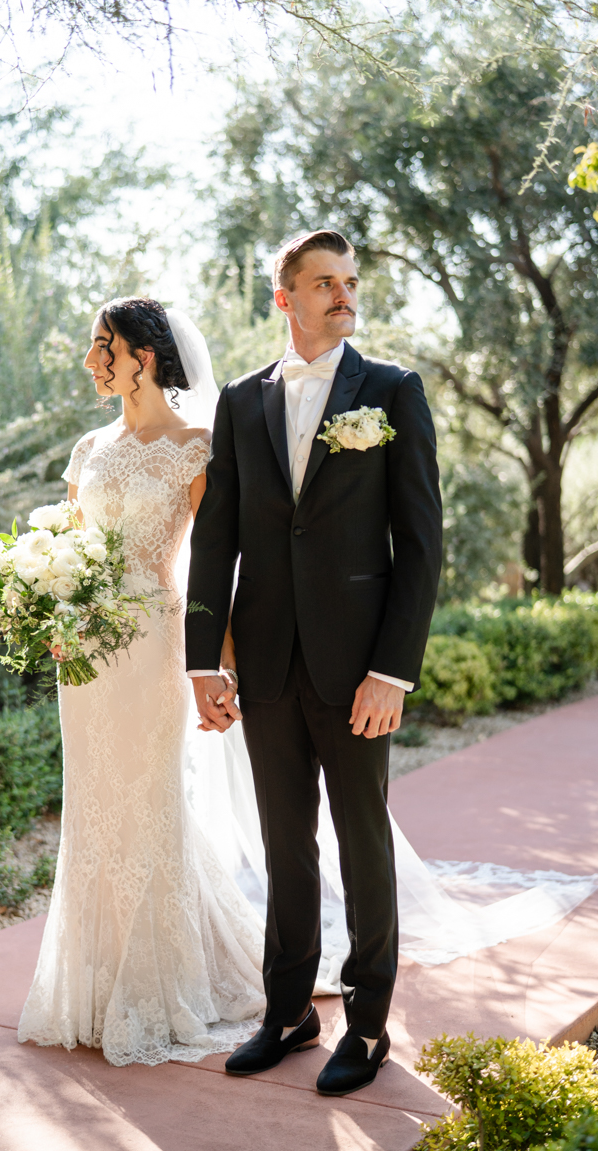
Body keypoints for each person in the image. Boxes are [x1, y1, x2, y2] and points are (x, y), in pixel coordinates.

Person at [186, 228, 444, 1096]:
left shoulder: (393, 391)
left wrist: (392, 670)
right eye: (324, 283)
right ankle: (290, 1011)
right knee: (283, 844)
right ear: (283, 298)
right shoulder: (240, 400)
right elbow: (216, 538)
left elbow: (421, 544)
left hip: (358, 666)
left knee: (363, 843)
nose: (344, 295)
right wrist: (201, 662)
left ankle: (366, 1026)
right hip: (263, 664)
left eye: (349, 281)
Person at [18, 297, 266, 1067]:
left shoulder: (196, 446)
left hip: (154, 642)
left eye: (104, 346)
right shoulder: (88, 447)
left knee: (149, 798)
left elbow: (215, 570)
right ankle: (92, 985)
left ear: (145, 357)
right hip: (84, 658)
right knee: (93, 806)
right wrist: (42, 610)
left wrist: (220, 665)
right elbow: (64, 542)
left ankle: (163, 985)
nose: (93, 361)